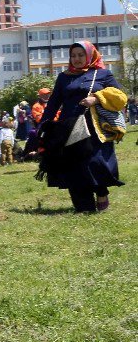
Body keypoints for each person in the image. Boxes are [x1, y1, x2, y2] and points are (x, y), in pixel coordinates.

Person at [33, 41, 127, 213]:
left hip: (96, 127)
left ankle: (101, 190)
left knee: (96, 161)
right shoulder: (63, 77)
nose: (76, 59)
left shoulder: (103, 74)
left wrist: (97, 98)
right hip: (70, 127)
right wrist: (43, 126)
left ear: (90, 55)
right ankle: (84, 205)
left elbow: (121, 97)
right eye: (73, 55)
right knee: (74, 165)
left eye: (81, 55)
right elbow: (54, 103)